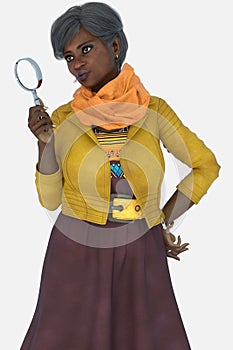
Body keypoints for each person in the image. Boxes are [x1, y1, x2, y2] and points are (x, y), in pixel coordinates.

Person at [20, 2, 220, 349]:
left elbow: (205, 166)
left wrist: (162, 221)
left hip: (140, 248)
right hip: (75, 251)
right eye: (68, 57)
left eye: (86, 49)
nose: (77, 64)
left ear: (114, 46)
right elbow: (50, 199)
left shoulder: (154, 110)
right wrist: (45, 145)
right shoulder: (65, 118)